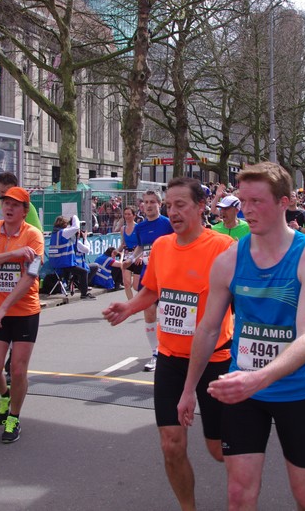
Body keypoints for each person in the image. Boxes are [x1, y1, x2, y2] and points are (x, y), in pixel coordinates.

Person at [178, 162, 305, 511]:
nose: (246, 209)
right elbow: (208, 328)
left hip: (297, 391)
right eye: (242, 201)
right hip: (244, 392)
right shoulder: (230, 259)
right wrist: (188, 389)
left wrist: (259, 378)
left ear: (283, 202)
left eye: (257, 201)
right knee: (238, 495)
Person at [103, 178, 235, 511]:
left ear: (201, 207)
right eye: (169, 206)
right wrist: (129, 307)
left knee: (218, 449)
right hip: (171, 359)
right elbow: (152, 289)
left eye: (180, 205)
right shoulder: (162, 246)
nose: (172, 212)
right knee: (171, 444)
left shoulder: (222, 247)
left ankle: (243, 488)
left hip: (215, 360)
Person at [0, 186, 44, 444]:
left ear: (25, 211)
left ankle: (14, 417)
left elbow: (30, 276)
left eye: (15, 204)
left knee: (17, 370)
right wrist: (13, 254)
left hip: (24, 312)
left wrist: (4, 308)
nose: (9, 208)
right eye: (6, 203)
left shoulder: (33, 235)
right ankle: (5, 395)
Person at [127, 189, 174, 372]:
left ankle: (169, 351)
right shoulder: (140, 227)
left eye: (152, 202)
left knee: (168, 315)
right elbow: (140, 247)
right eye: (145, 202)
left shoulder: (168, 224)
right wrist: (131, 259)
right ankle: (155, 353)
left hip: (168, 275)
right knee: (149, 312)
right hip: (149, 274)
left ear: (159, 204)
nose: (148, 206)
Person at [47, 215, 96, 300]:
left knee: (76, 272)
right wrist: (74, 217)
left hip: (56, 262)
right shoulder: (63, 233)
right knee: (83, 272)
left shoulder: (55, 233)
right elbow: (76, 227)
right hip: (63, 262)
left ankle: (75, 286)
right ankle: (84, 294)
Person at [116, 205, 142, 300]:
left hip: (137, 257)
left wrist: (140, 256)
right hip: (127, 257)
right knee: (126, 283)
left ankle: (142, 301)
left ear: (134, 215)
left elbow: (142, 244)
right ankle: (131, 304)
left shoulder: (138, 228)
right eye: (125, 214)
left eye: (129, 214)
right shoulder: (123, 229)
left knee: (136, 286)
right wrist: (116, 251)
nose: (127, 216)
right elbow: (123, 243)